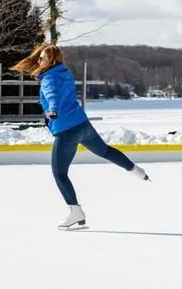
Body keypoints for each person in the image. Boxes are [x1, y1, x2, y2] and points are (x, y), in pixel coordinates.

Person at [12, 44, 151, 229]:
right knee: (105, 151)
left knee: (59, 173)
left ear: (51, 60)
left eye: (42, 58)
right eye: (39, 58)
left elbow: (52, 95)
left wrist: (52, 110)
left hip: (66, 130)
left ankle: (75, 211)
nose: (39, 61)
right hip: (82, 125)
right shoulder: (65, 73)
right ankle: (137, 171)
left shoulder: (48, 79)